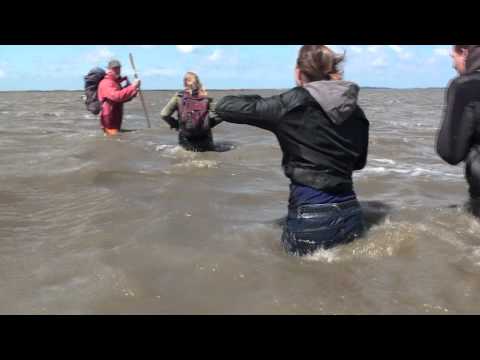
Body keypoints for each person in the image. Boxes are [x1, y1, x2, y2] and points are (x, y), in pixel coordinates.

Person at [214, 45, 370, 256]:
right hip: (352, 212)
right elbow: (359, 163)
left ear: (298, 73)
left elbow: (224, 106)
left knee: (298, 282)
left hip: (310, 215)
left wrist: (262, 101)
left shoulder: (290, 104)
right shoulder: (355, 110)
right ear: (334, 71)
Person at [437, 45, 480, 216]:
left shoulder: (466, 85)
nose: (453, 65)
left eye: (452, 57)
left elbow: (450, 152)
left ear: (464, 53)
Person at [160, 72, 222, 152]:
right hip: (205, 138)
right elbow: (221, 114)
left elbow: (164, 114)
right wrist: (210, 124)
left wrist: (176, 125)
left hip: (186, 137)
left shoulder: (179, 97)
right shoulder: (205, 97)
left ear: (184, 83)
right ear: (198, 82)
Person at [97, 59, 141, 136]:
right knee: (112, 140)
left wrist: (134, 91)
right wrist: (133, 86)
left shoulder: (115, 82)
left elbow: (122, 99)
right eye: (115, 68)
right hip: (108, 119)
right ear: (109, 70)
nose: (117, 70)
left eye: (119, 68)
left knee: (117, 140)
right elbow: (117, 96)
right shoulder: (106, 83)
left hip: (115, 118)